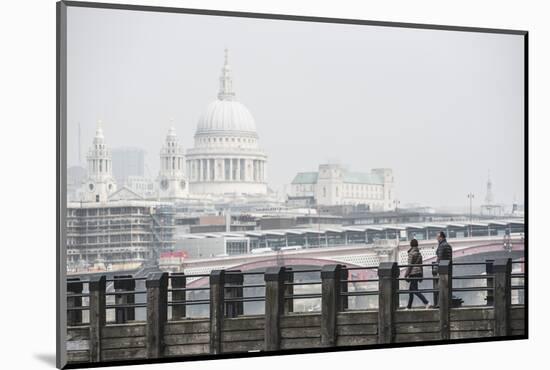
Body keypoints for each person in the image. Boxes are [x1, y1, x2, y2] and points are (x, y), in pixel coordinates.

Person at [405, 239, 430, 309]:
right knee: (411, 290)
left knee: (414, 290)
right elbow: (421, 265)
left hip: (413, 273)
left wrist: (406, 274)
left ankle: (426, 302)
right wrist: (421, 275)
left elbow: (409, 265)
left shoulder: (411, 253)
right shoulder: (419, 253)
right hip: (418, 272)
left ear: (411, 245)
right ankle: (409, 306)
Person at [432, 231, 453, 306]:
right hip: (449, 268)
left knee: (441, 287)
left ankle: (440, 304)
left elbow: (439, 258)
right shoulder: (448, 245)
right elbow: (449, 259)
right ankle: (447, 303)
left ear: (441, 237)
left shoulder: (441, 246)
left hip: (443, 267)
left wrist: (435, 269)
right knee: (447, 287)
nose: (436, 238)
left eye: (437, 237)